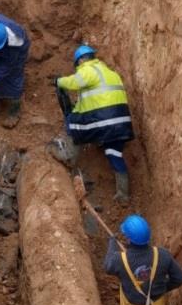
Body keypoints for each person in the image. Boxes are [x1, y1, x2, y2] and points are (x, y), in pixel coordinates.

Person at [53, 45, 134, 201]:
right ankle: (123, 194)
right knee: (114, 153)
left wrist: (59, 81)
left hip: (105, 121)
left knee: (73, 123)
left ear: (82, 60)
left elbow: (74, 82)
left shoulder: (90, 69)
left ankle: (68, 156)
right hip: (121, 123)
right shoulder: (111, 73)